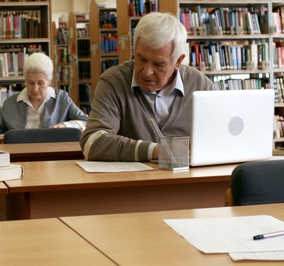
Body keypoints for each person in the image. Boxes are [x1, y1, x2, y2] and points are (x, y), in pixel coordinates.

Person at [80, 12, 217, 162]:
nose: (146, 72)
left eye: (158, 64)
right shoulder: (114, 82)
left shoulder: (201, 86)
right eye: (141, 59)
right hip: (135, 181)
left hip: (189, 181)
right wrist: (158, 151)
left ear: (178, 61)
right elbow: (92, 143)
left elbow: (223, 139)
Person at [0, 52, 87, 135]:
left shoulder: (62, 98)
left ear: (49, 81)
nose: (35, 89)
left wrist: (64, 126)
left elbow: (86, 121)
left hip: (53, 155)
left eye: (41, 83)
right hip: (19, 154)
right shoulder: (11, 103)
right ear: (25, 81)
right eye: (31, 83)